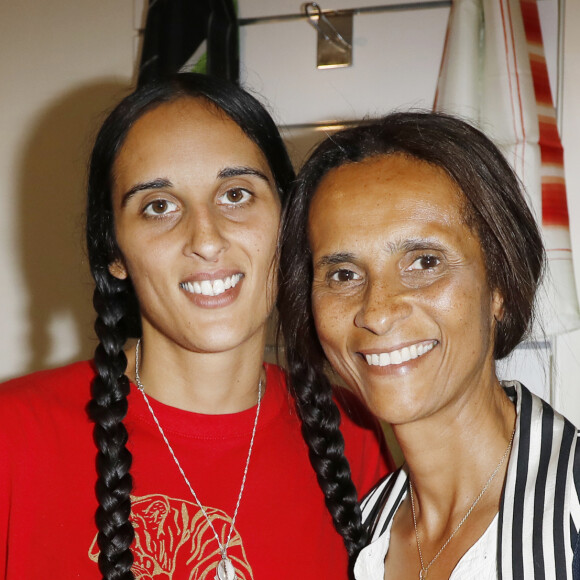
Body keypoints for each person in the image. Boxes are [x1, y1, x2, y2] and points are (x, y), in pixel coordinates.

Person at [0, 74, 392, 580]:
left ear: (287, 219)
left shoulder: (352, 432)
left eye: (235, 195)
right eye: (158, 206)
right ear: (114, 250)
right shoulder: (14, 436)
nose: (205, 239)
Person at [278, 111, 580, 579]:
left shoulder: (571, 508)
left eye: (424, 262)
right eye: (343, 274)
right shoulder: (363, 535)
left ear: (499, 284)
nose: (376, 311)